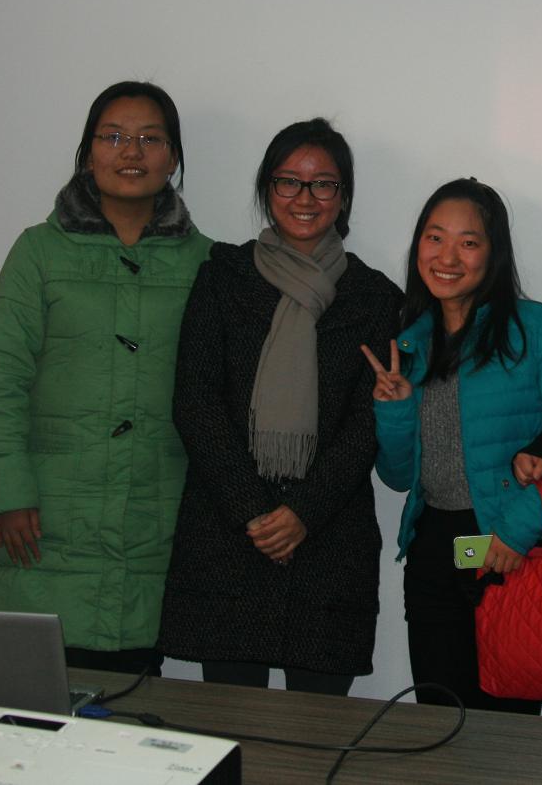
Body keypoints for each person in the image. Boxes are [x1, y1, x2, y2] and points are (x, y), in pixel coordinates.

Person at [0, 80, 210, 676]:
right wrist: (7, 493)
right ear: (87, 153)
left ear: (174, 158)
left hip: (158, 517)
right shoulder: (38, 253)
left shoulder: (207, 263)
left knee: (134, 705)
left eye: (150, 139)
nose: (131, 152)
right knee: (33, 705)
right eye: (114, 136)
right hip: (47, 519)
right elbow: (0, 379)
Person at [158, 118, 402, 695]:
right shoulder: (222, 277)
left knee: (318, 732)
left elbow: (368, 424)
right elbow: (196, 402)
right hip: (228, 534)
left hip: (330, 541)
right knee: (229, 725)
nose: (305, 198)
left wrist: (302, 514)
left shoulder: (376, 297)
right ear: (267, 190)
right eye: (288, 181)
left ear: (344, 196)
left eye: (323, 184)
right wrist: (255, 512)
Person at [364, 178, 542, 715]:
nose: (447, 257)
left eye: (468, 242)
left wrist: (518, 531)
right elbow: (398, 477)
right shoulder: (413, 340)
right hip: (432, 551)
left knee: (506, 734)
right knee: (438, 721)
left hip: (507, 548)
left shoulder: (538, 327)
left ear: (493, 254)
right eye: (434, 238)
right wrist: (396, 409)